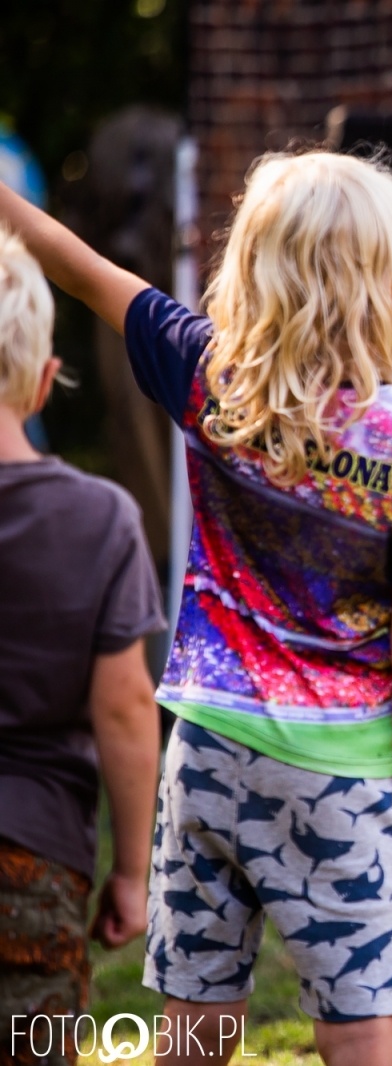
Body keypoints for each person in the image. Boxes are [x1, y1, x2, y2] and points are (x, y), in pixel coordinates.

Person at [0, 150, 392, 1065]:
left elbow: (73, 260)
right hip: (339, 773)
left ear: (250, 267)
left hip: (209, 752)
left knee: (198, 1010)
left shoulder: (207, 378)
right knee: (358, 1017)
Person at [0, 228, 165, 1064]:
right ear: (39, 382)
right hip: (34, 860)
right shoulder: (100, 520)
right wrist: (131, 873)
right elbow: (128, 709)